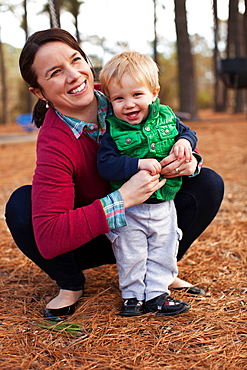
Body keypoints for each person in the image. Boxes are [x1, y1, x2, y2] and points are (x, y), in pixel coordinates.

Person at [4, 29, 224, 322]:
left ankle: (160, 269)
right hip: (93, 235)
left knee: (207, 182)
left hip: (153, 217)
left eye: (75, 60)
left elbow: (168, 129)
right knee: (21, 205)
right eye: (56, 72)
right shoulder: (54, 141)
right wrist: (121, 199)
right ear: (39, 92)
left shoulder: (121, 89)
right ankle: (70, 285)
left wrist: (185, 161)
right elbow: (49, 238)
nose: (73, 76)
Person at [97, 51, 200, 316]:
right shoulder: (114, 130)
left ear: (154, 93)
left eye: (137, 95)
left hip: (164, 204)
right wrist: (137, 164)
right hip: (131, 209)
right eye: (119, 98)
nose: (128, 104)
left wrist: (184, 143)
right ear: (110, 101)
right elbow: (105, 164)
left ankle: (157, 294)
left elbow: (188, 132)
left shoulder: (166, 117)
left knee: (164, 249)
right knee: (130, 252)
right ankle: (132, 295)